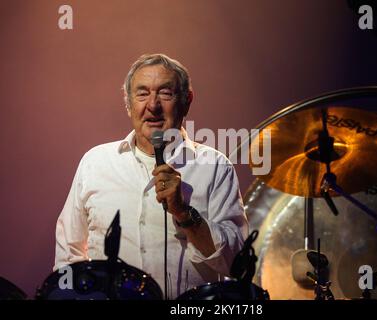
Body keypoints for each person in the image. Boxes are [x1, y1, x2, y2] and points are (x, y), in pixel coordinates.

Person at [54, 53, 248, 299]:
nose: (153, 105)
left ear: (186, 101)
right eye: (142, 93)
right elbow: (68, 254)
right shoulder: (95, 162)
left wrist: (184, 213)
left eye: (165, 93)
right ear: (128, 103)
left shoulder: (216, 167)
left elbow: (236, 264)